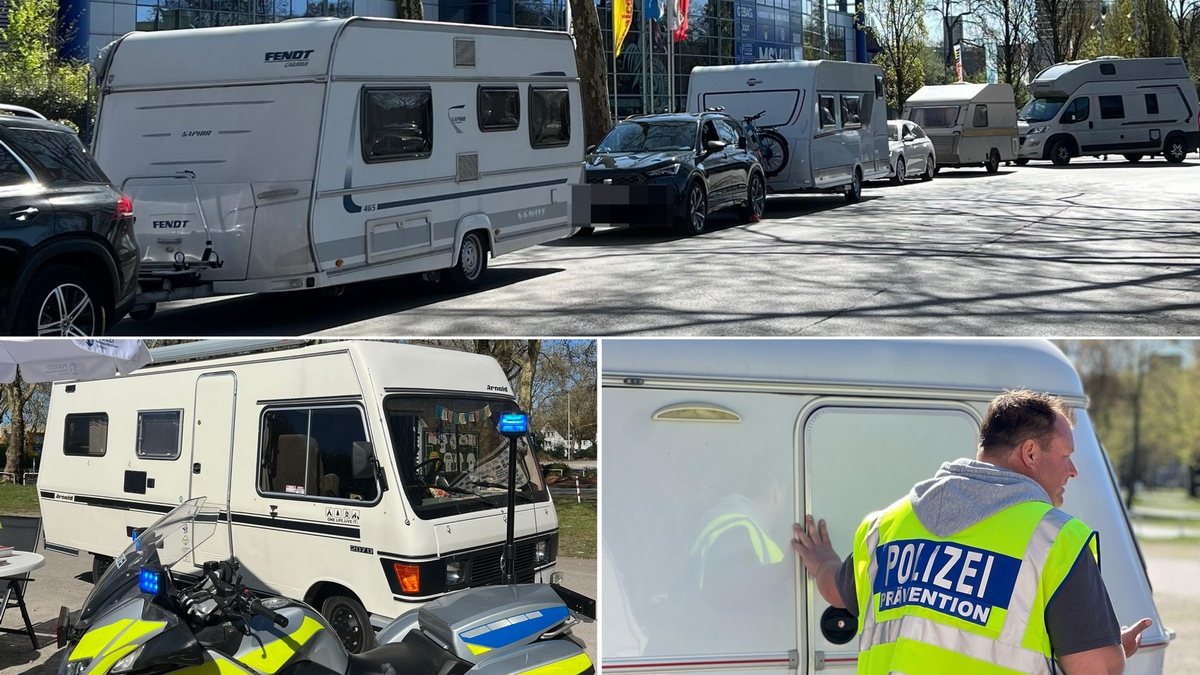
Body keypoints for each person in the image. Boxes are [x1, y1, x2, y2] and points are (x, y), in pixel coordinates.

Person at [792, 389, 1154, 675]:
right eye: (1064, 455)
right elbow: (1095, 669)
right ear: (1030, 453)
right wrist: (1110, 647)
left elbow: (837, 591)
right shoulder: (1056, 539)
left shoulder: (886, 524)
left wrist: (824, 560)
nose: (1072, 470)